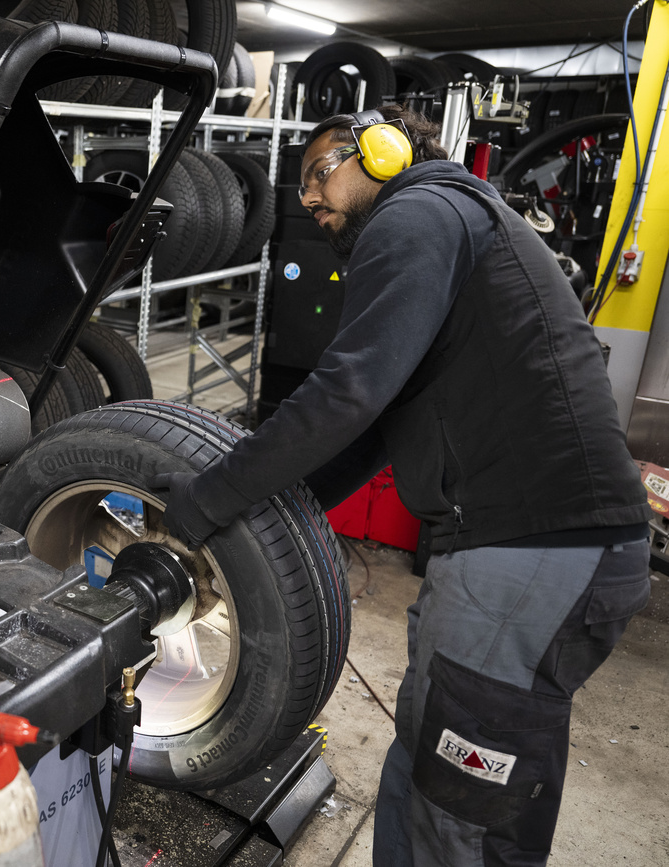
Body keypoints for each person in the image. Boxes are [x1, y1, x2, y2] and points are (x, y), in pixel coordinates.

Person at [150, 105, 652, 866]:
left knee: (458, 802)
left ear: (382, 150)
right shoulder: (449, 220)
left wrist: (207, 500)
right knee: (436, 763)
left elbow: (345, 393)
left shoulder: (419, 212)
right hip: (524, 546)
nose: (311, 200)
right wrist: (266, 525)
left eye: (321, 172)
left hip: (531, 547)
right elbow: (373, 424)